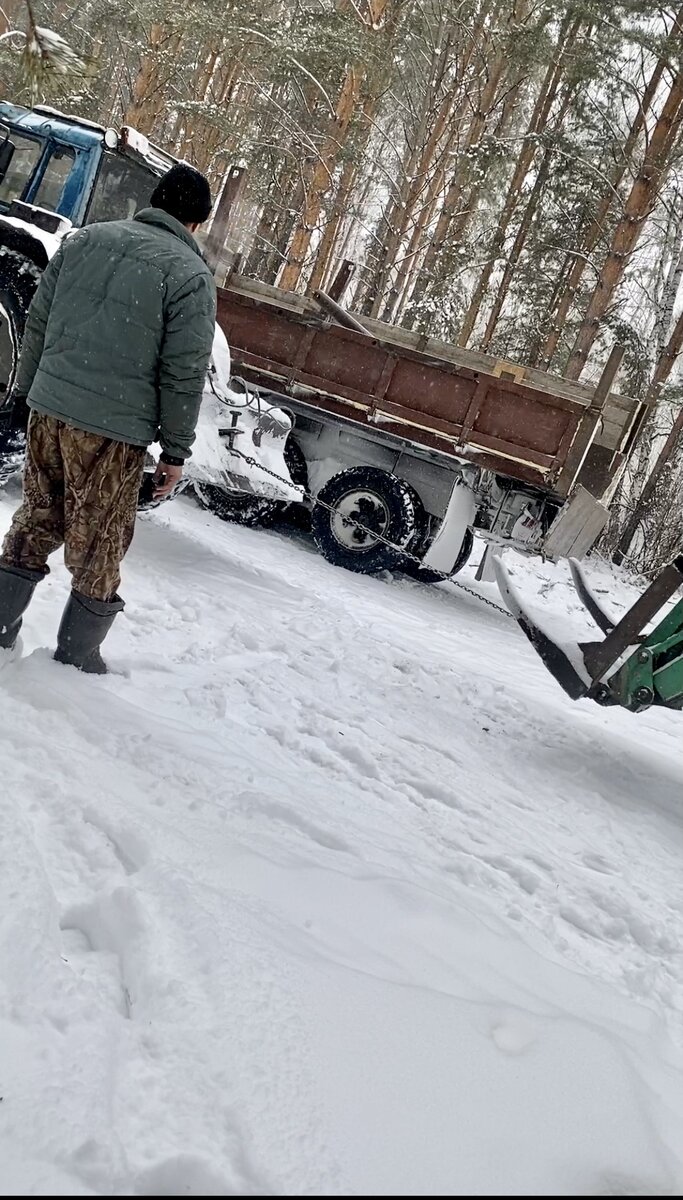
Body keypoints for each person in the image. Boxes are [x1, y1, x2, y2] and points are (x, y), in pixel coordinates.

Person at [0, 163, 217, 674]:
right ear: (196, 222)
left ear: (155, 200)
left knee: (35, 518)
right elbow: (183, 374)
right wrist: (176, 452)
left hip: (49, 411)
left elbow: (36, 327)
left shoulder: (82, 242)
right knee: (99, 542)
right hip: (112, 431)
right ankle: (76, 662)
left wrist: (30, 395)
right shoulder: (190, 277)